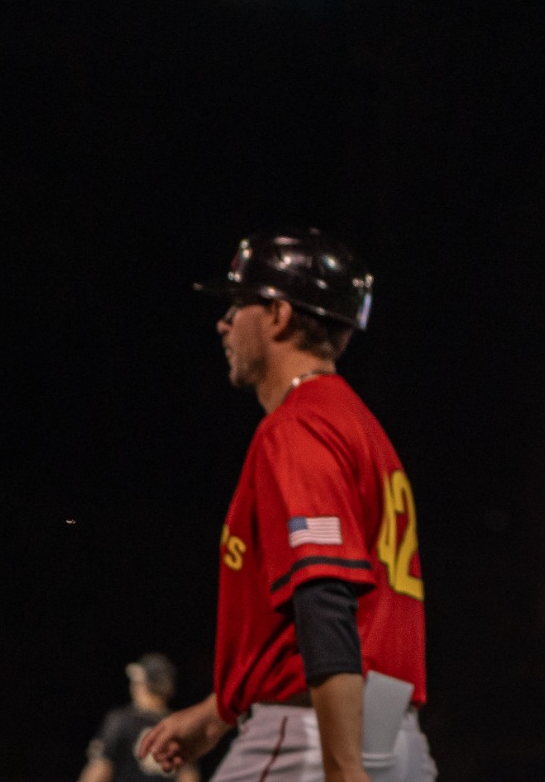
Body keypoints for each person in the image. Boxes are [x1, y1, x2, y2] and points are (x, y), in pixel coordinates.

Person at [140, 231, 435, 782]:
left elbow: (325, 600)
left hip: (312, 743)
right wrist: (217, 713)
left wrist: (343, 769)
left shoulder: (297, 427)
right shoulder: (362, 428)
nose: (224, 323)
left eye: (237, 304)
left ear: (278, 315)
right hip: (390, 733)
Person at [78, 654, 198, 782]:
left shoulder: (121, 720)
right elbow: (188, 776)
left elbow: (99, 768)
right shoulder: (179, 724)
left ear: (146, 683)